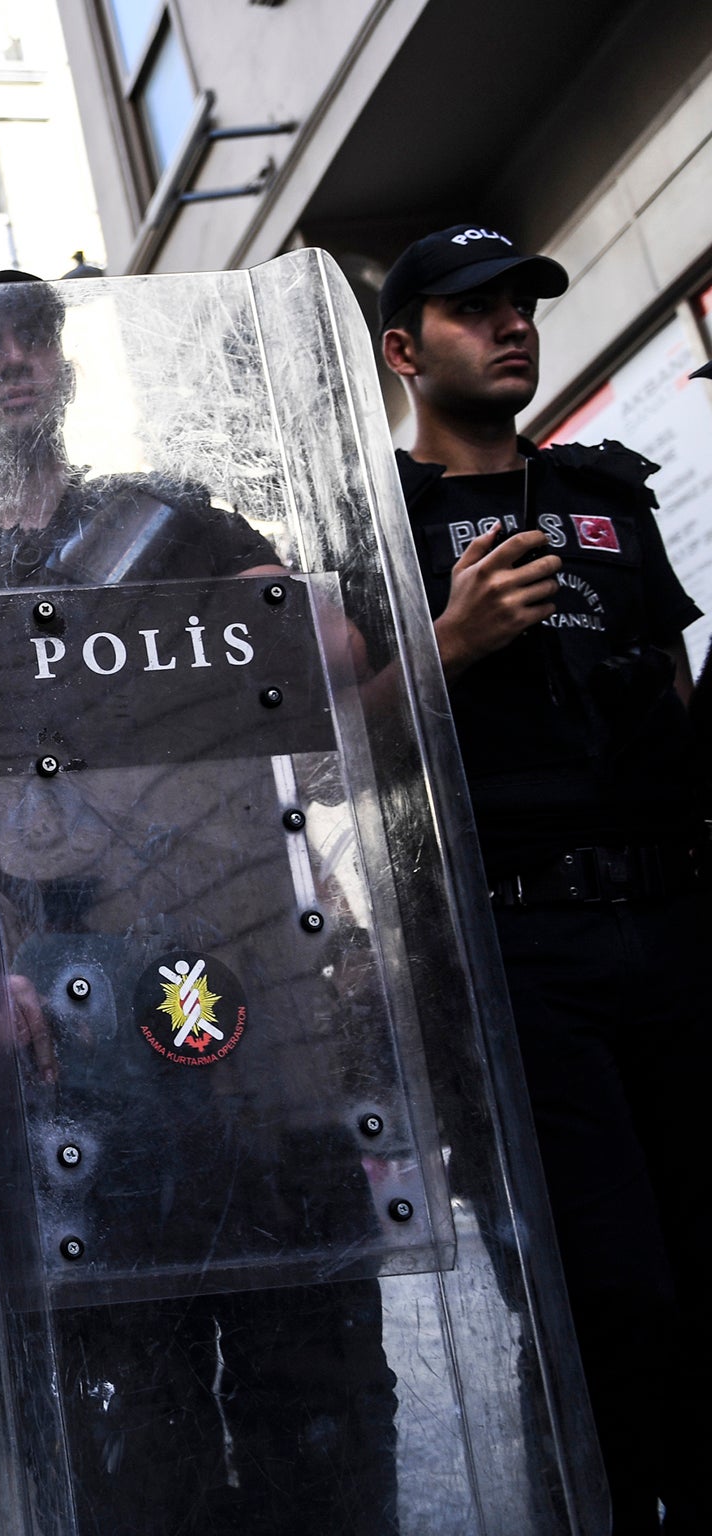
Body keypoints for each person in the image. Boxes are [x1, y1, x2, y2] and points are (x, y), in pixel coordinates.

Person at [0, 269, 400, 1536]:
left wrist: (288, 589)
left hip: (248, 991)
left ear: (66, 369)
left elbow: (338, 656)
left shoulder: (168, 519)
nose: (14, 362)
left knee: (317, 1380)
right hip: (62, 1036)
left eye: (33, 338)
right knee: (132, 1419)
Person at [379, 225, 708, 1536]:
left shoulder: (608, 495)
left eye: (522, 304)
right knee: (604, 1295)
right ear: (406, 349)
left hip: (676, 922)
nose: (511, 325)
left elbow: (674, 702)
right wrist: (450, 643)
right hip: (521, 952)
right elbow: (334, 748)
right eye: (472, 311)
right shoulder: (375, 515)